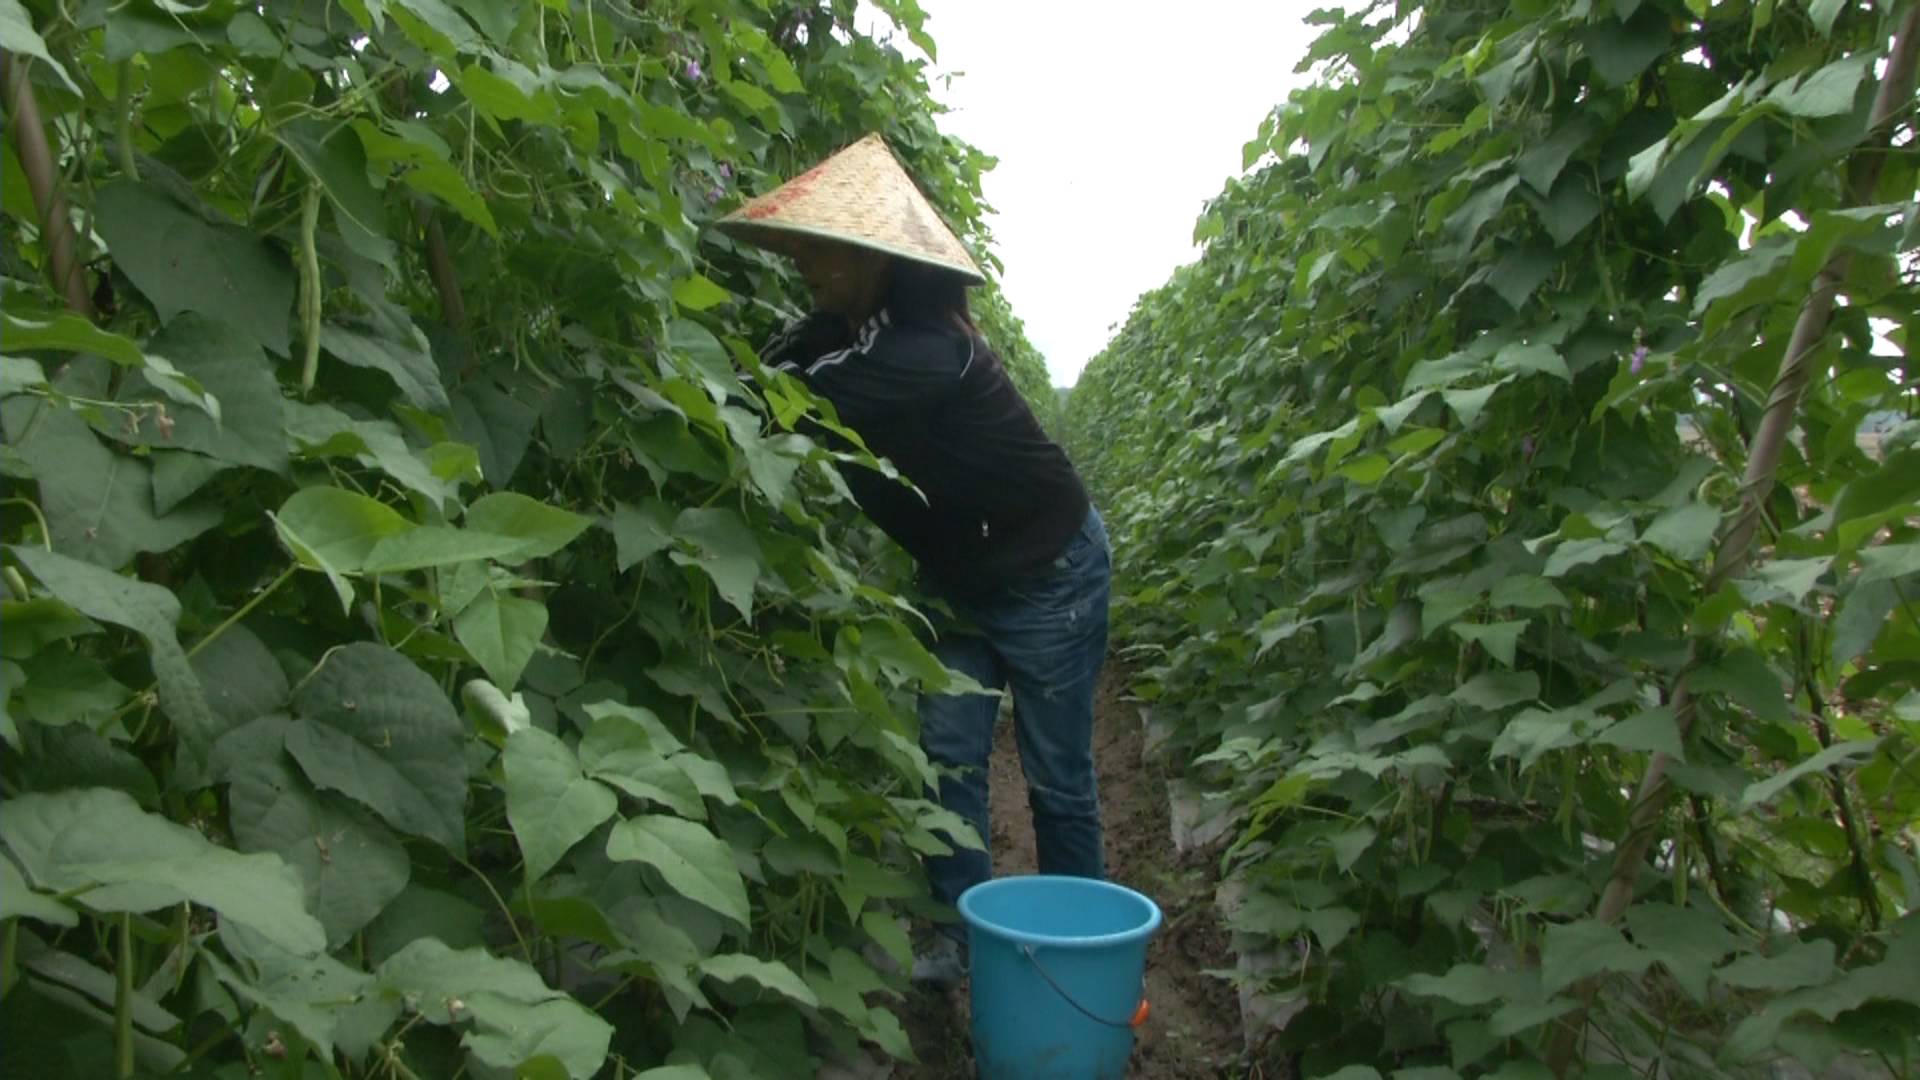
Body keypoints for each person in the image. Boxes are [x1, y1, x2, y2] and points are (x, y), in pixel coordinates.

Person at [715, 135, 1112, 990]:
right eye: (803, 247)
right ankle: (959, 935)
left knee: (1057, 778)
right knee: (946, 755)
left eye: (821, 249)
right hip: (961, 577)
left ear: (874, 258)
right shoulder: (844, 327)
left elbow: (785, 400)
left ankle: (1082, 953)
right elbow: (772, 364)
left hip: (1050, 575)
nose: (804, 266)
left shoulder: (926, 350)